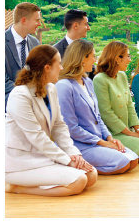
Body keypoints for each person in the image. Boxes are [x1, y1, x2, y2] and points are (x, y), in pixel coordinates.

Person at [5, 45, 97, 196]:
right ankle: (15, 187)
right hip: (19, 163)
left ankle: (42, 181)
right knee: (79, 180)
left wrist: (74, 154)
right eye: (58, 64)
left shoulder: (51, 89)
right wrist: (68, 160)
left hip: (42, 156)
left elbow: (59, 126)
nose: (61, 68)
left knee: (91, 175)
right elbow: (37, 137)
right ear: (47, 67)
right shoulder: (20, 95)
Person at [56, 40, 139, 175]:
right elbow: (71, 127)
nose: (95, 60)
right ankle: (78, 166)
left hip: (98, 140)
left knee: (133, 160)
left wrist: (109, 138)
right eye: (93, 56)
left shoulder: (88, 82)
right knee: (123, 164)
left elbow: (98, 117)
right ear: (82, 58)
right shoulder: (64, 86)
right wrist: (101, 143)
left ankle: (92, 164)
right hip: (80, 145)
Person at [93, 41, 139, 162]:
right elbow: (106, 113)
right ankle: (117, 157)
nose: (130, 60)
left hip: (128, 129)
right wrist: (129, 133)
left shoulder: (122, 75)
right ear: (117, 58)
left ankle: (125, 155)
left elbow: (130, 104)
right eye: (127, 56)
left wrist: (138, 129)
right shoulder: (100, 79)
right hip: (114, 133)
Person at [5, 2, 42, 108]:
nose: (39, 24)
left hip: (35, 102)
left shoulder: (35, 43)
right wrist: (25, 95)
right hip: (9, 104)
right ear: (24, 20)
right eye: (37, 20)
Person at [53, 9, 94, 78]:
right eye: (86, 24)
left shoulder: (87, 48)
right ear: (75, 26)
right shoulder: (55, 51)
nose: (88, 28)